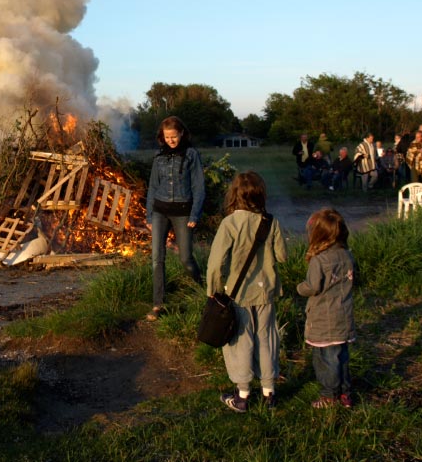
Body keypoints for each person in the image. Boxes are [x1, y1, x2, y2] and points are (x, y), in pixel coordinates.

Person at [208, 171, 287, 412]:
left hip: (238, 294)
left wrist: (213, 290)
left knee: (240, 342)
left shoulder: (230, 223)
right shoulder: (270, 221)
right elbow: (282, 257)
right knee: (267, 339)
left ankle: (242, 396)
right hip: (266, 292)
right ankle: (269, 392)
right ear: (260, 194)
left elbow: (215, 261)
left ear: (234, 195)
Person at [145, 116, 205, 321]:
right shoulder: (159, 156)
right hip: (160, 211)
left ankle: (201, 291)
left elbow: (198, 186)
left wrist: (195, 213)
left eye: (174, 136)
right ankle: (158, 304)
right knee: (156, 258)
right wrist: (149, 215)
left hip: (183, 213)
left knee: (186, 258)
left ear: (181, 133)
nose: (171, 140)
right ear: (162, 137)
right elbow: (153, 186)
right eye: (167, 137)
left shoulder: (191, 155)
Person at [297, 208, 356, 409]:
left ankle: (329, 395)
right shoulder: (347, 255)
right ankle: (346, 393)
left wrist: (299, 288)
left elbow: (313, 286)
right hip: (344, 317)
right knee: (342, 358)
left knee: (325, 360)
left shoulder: (319, 260)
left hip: (324, 320)